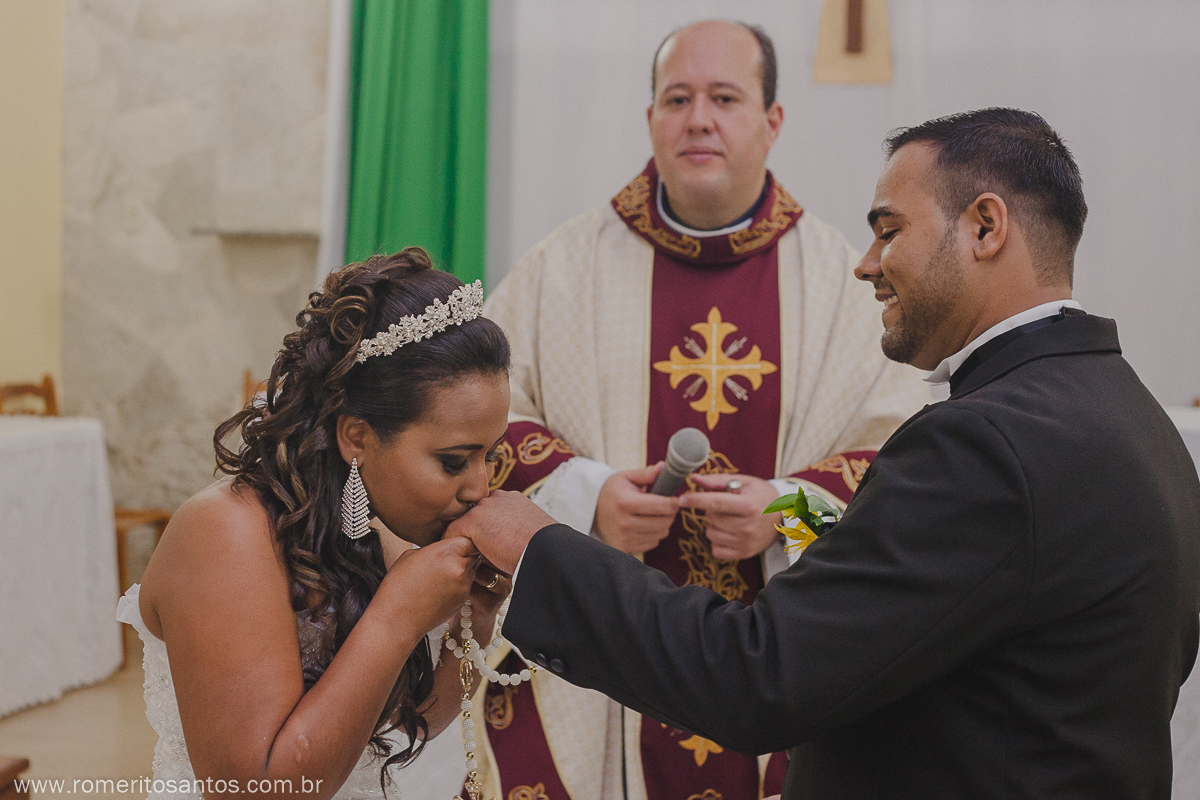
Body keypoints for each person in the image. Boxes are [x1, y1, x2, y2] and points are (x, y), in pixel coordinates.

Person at [452, 108, 1200, 799]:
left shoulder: (984, 442)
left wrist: (543, 549)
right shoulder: (1135, 421)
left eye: (889, 229)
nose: (865, 263)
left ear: (984, 227)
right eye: (677, 97)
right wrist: (602, 495)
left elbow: (760, 675)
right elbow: (928, 578)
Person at [479, 20, 928, 799]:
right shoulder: (561, 270)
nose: (698, 119)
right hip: (596, 670)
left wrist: (789, 514)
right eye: (677, 98)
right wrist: (588, 500)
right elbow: (480, 424)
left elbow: (906, 464)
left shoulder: (845, 285)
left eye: (725, 98)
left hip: (788, 661)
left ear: (771, 121)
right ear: (650, 117)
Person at [118, 248, 515, 800]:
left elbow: (394, 727)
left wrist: (476, 613)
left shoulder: (363, 527)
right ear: (356, 436)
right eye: (453, 461)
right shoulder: (225, 534)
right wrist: (396, 617)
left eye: (489, 456)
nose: (480, 488)